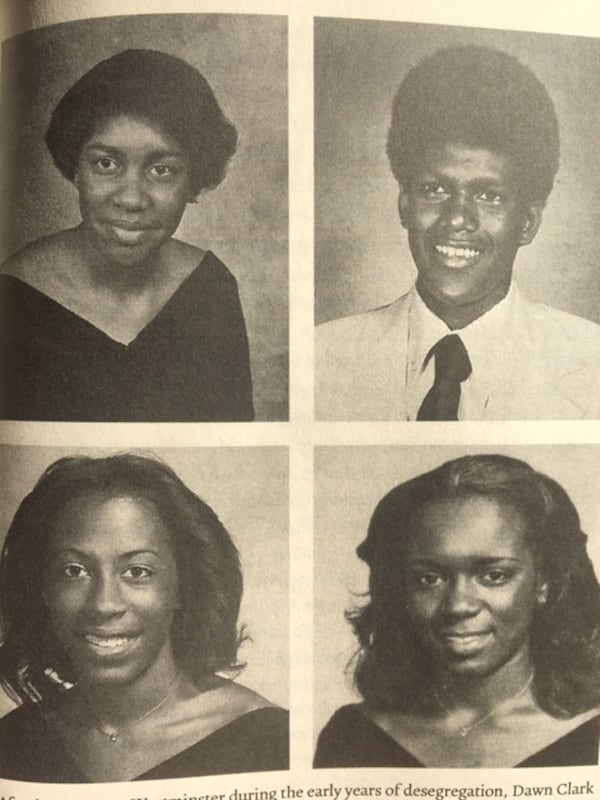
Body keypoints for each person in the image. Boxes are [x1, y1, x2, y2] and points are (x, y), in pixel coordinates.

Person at [315, 46, 600, 420]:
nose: (456, 219)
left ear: (528, 223)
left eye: (489, 195)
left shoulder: (590, 365)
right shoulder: (318, 356)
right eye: (435, 189)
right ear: (405, 205)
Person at [0, 454, 288, 782]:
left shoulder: (271, 742)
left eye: (137, 571)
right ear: (42, 589)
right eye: (74, 571)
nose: (104, 605)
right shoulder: (13, 740)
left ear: (184, 587)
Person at [0, 49, 254, 421]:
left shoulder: (209, 285)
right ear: (75, 168)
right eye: (106, 164)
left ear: (194, 180)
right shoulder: (15, 296)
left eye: (162, 170)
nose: (132, 199)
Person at [314, 454, 600, 768]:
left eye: (494, 576)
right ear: (403, 589)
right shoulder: (352, 737)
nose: (458, 605)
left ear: (544, 582)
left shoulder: (591, 730)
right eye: (430, 578)